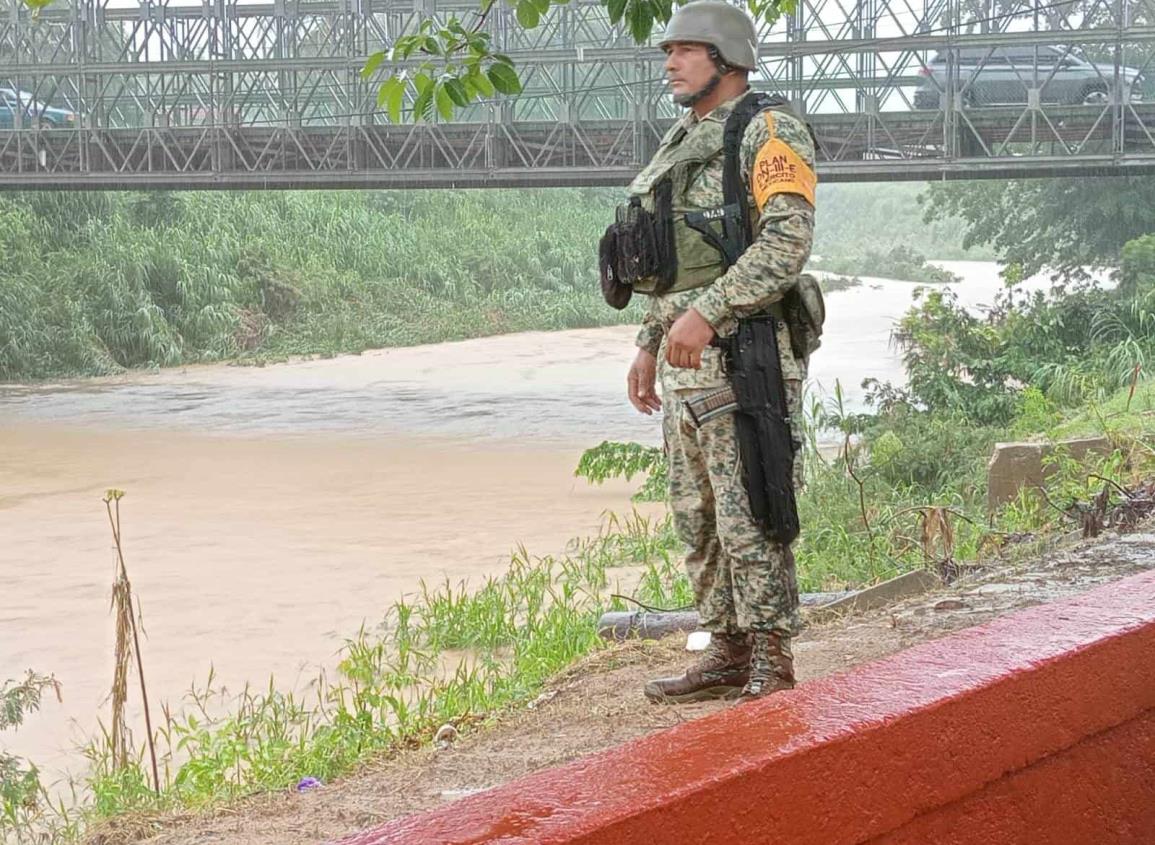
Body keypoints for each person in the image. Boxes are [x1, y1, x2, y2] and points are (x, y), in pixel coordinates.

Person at [618, 0, 817, 703]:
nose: (668, 61)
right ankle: (725, 646)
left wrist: (707, 314)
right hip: (685, 360)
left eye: (683, 50)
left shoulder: (767, 132)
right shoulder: (684, 137)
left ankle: (770, 653)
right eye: (667, 50)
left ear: (724, 59)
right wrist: (649, 340)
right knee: (697, 513)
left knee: (750, 508)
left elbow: (786, 244)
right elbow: (677, 260)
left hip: (745, 354)